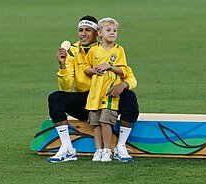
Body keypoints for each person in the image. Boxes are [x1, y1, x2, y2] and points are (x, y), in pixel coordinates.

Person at [47, 15, 139, 163]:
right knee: (55, 97)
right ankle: (67, 148)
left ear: (98, 32)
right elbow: (65, 87)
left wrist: (123, 85)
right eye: (80, 30)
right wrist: (62, 66)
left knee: (129, 97)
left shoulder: (113, 49)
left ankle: (120, 147)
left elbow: (130, 76)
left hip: (108, 97)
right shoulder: (72, 52)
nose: (83, 33)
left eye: (87, 30)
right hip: (87, 101)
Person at [84, 17, 129, 162]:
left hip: (109, 94)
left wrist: (109, 66)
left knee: (106, 122)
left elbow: (123, 70)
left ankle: (107, 150)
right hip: (95, 93)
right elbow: (86, 68)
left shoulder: (119, 50)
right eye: (108, 30)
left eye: (115, 31)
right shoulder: (93, 50)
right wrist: (94, 71)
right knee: (95, 123)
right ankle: (98, 150)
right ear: (99, 33)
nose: (112, 33)